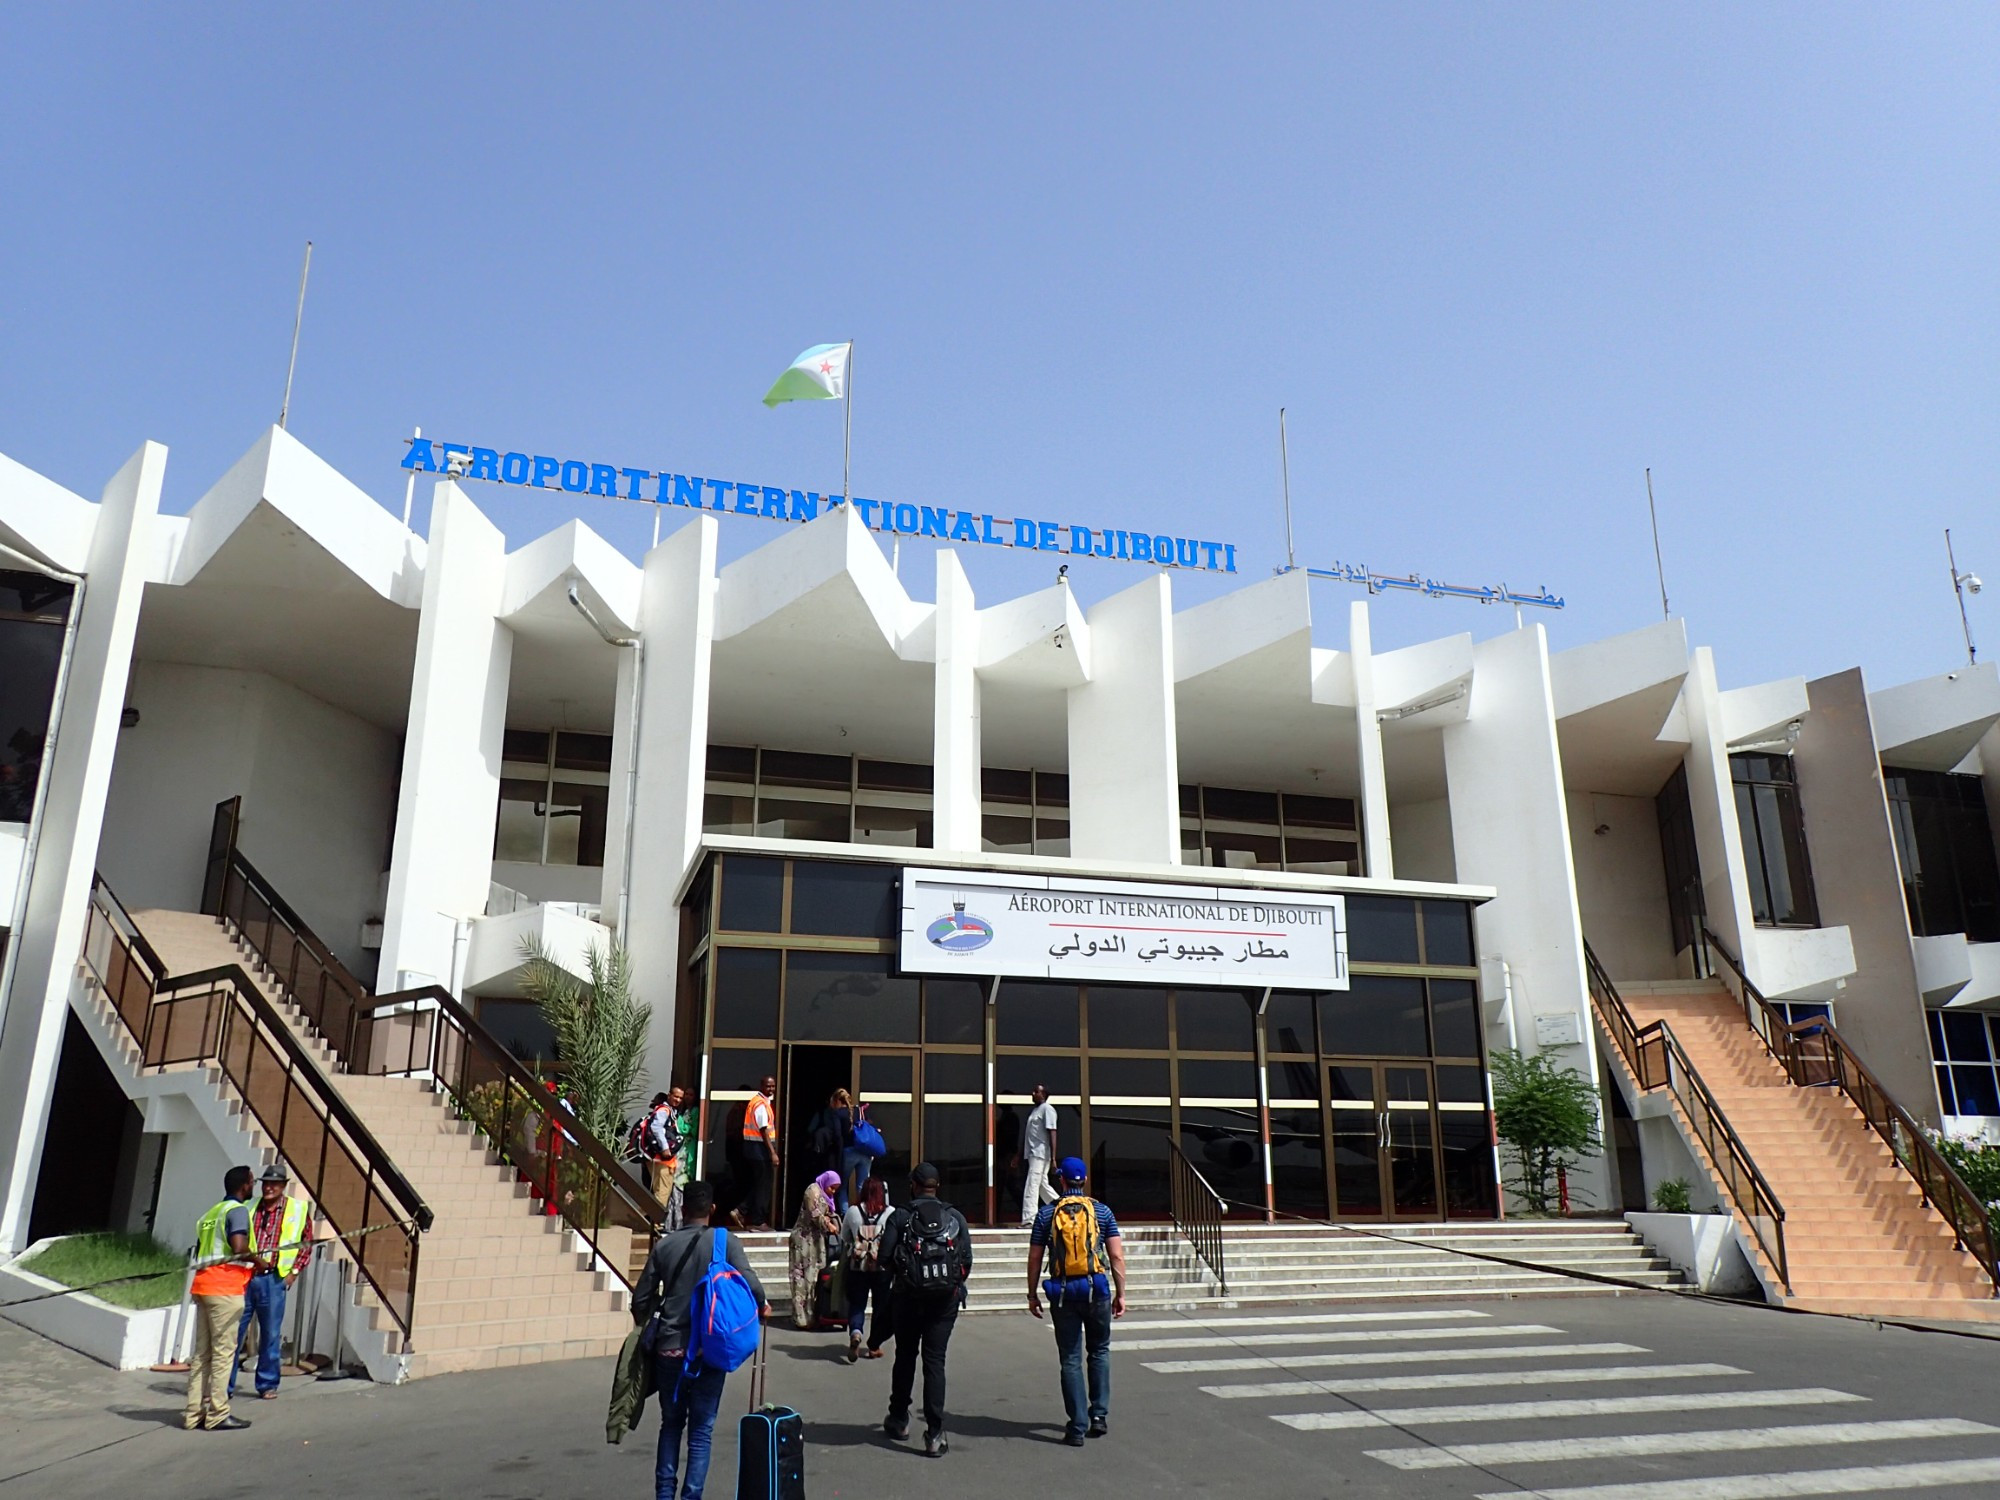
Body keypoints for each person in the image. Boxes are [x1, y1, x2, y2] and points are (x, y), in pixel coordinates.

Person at [630, 1182, 771, 1500]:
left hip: (670, 1347)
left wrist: (647, 1322)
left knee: (670, 1425)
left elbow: (641, 1300)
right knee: (701, 1432)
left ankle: (664, 1495)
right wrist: (762, 1304)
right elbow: (751, 1282)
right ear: (711, 1210)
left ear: (682, 1210)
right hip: (711, 1348)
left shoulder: (664, 1247)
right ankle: (692, 1496)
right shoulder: (725, 1241)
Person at [1027, 1157, 1127, 1446]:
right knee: (1099, 1351)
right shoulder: (1102, 1211)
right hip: (1096, 1290)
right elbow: (1117, 1256)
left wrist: (1032, 1293)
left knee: (1070, 1358)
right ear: (1083, 1181)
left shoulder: (1046, 1214)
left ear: (1061, 1181)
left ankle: (1077, 1426)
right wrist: (1120, 1293)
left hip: (1063, 1292)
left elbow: (1035, 1258)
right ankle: (1099, 1415)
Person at [880, 1161, 973, 1458]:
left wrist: (906, 1276)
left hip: (907, 1298)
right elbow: (966, 1259)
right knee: (935, 1362)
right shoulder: (954, 1216)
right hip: (945, 1301)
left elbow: (884, 1257)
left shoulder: (901, 1216)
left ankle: (899, 1419)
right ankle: (934, 1433)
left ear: (913, 1186)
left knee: (905, 1356)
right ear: (937, 1186)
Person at [183, 1164, 263, 1431]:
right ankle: (218, 1414)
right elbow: (238, 1247)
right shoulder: (237, 1211)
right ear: (244, 1186)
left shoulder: (210, 1213)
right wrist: (258, 1260)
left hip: (203, 1286)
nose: (254, 1186)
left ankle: (193, 1414)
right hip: (225, 1289)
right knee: (223, 1354)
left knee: (202, 1355)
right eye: (252, 1182)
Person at [228, 1163, 312, 1402]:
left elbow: (306, 1244)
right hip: (247, 1276)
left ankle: (267, 1384)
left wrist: (293, 1272)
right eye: (265, 1183)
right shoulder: (249, 1207)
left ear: (283, 1187)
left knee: (271, 1334)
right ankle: (226, 1386)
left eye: (274, 1184)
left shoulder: (296, 1210)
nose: (269, 1188)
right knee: (235, 1332)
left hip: (274, 1280)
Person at [836, 1174, 893, 1363]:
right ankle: (874, 1346)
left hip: (857, 1266)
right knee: (880, 1306)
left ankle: (856, 1332)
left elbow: (844, 1237)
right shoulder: (890, 1213)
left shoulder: (853, 1212)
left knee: (857, 1303)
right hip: (882, 1267)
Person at [788, 1169, 842, 1328]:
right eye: (832, 1187)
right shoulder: (812, 1191)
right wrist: (829, 1225)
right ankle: (801, 1319)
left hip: (816, 1242)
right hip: (803, 1241)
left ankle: (813, 1315)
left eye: (835, 1189)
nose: (832, 1191)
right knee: (801, 1280)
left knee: (813, 1279)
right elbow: (815, 1214)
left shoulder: (826, 1196)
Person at [735, 1075, 779, 1230]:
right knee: (763, 1185)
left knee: (760, 1183)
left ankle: (742, 1210)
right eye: (768, 1086)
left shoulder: (761, 1102)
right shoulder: (760, 1104)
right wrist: (772, 1153)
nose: (771, 1089)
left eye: (773, 1086)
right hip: (759, 1149)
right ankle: (758, 1220)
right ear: (761, 1086)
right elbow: (764, 1131)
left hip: (754, 1148)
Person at [1013, 1083, 1059, 1227]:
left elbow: (1052, 1132)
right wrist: (1018, 1155)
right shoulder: (1035, 1111)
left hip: (1040, 1154)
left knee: (1032, 1185)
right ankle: (1064, 1207)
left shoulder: (1047, 1109)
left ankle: (1029, 1219)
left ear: (1043, 1095)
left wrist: (1053, 1158)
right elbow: (1027, 1137)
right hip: (1032, 1154)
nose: (1033, 1094)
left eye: (1036, 1092)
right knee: (1041, 1185)